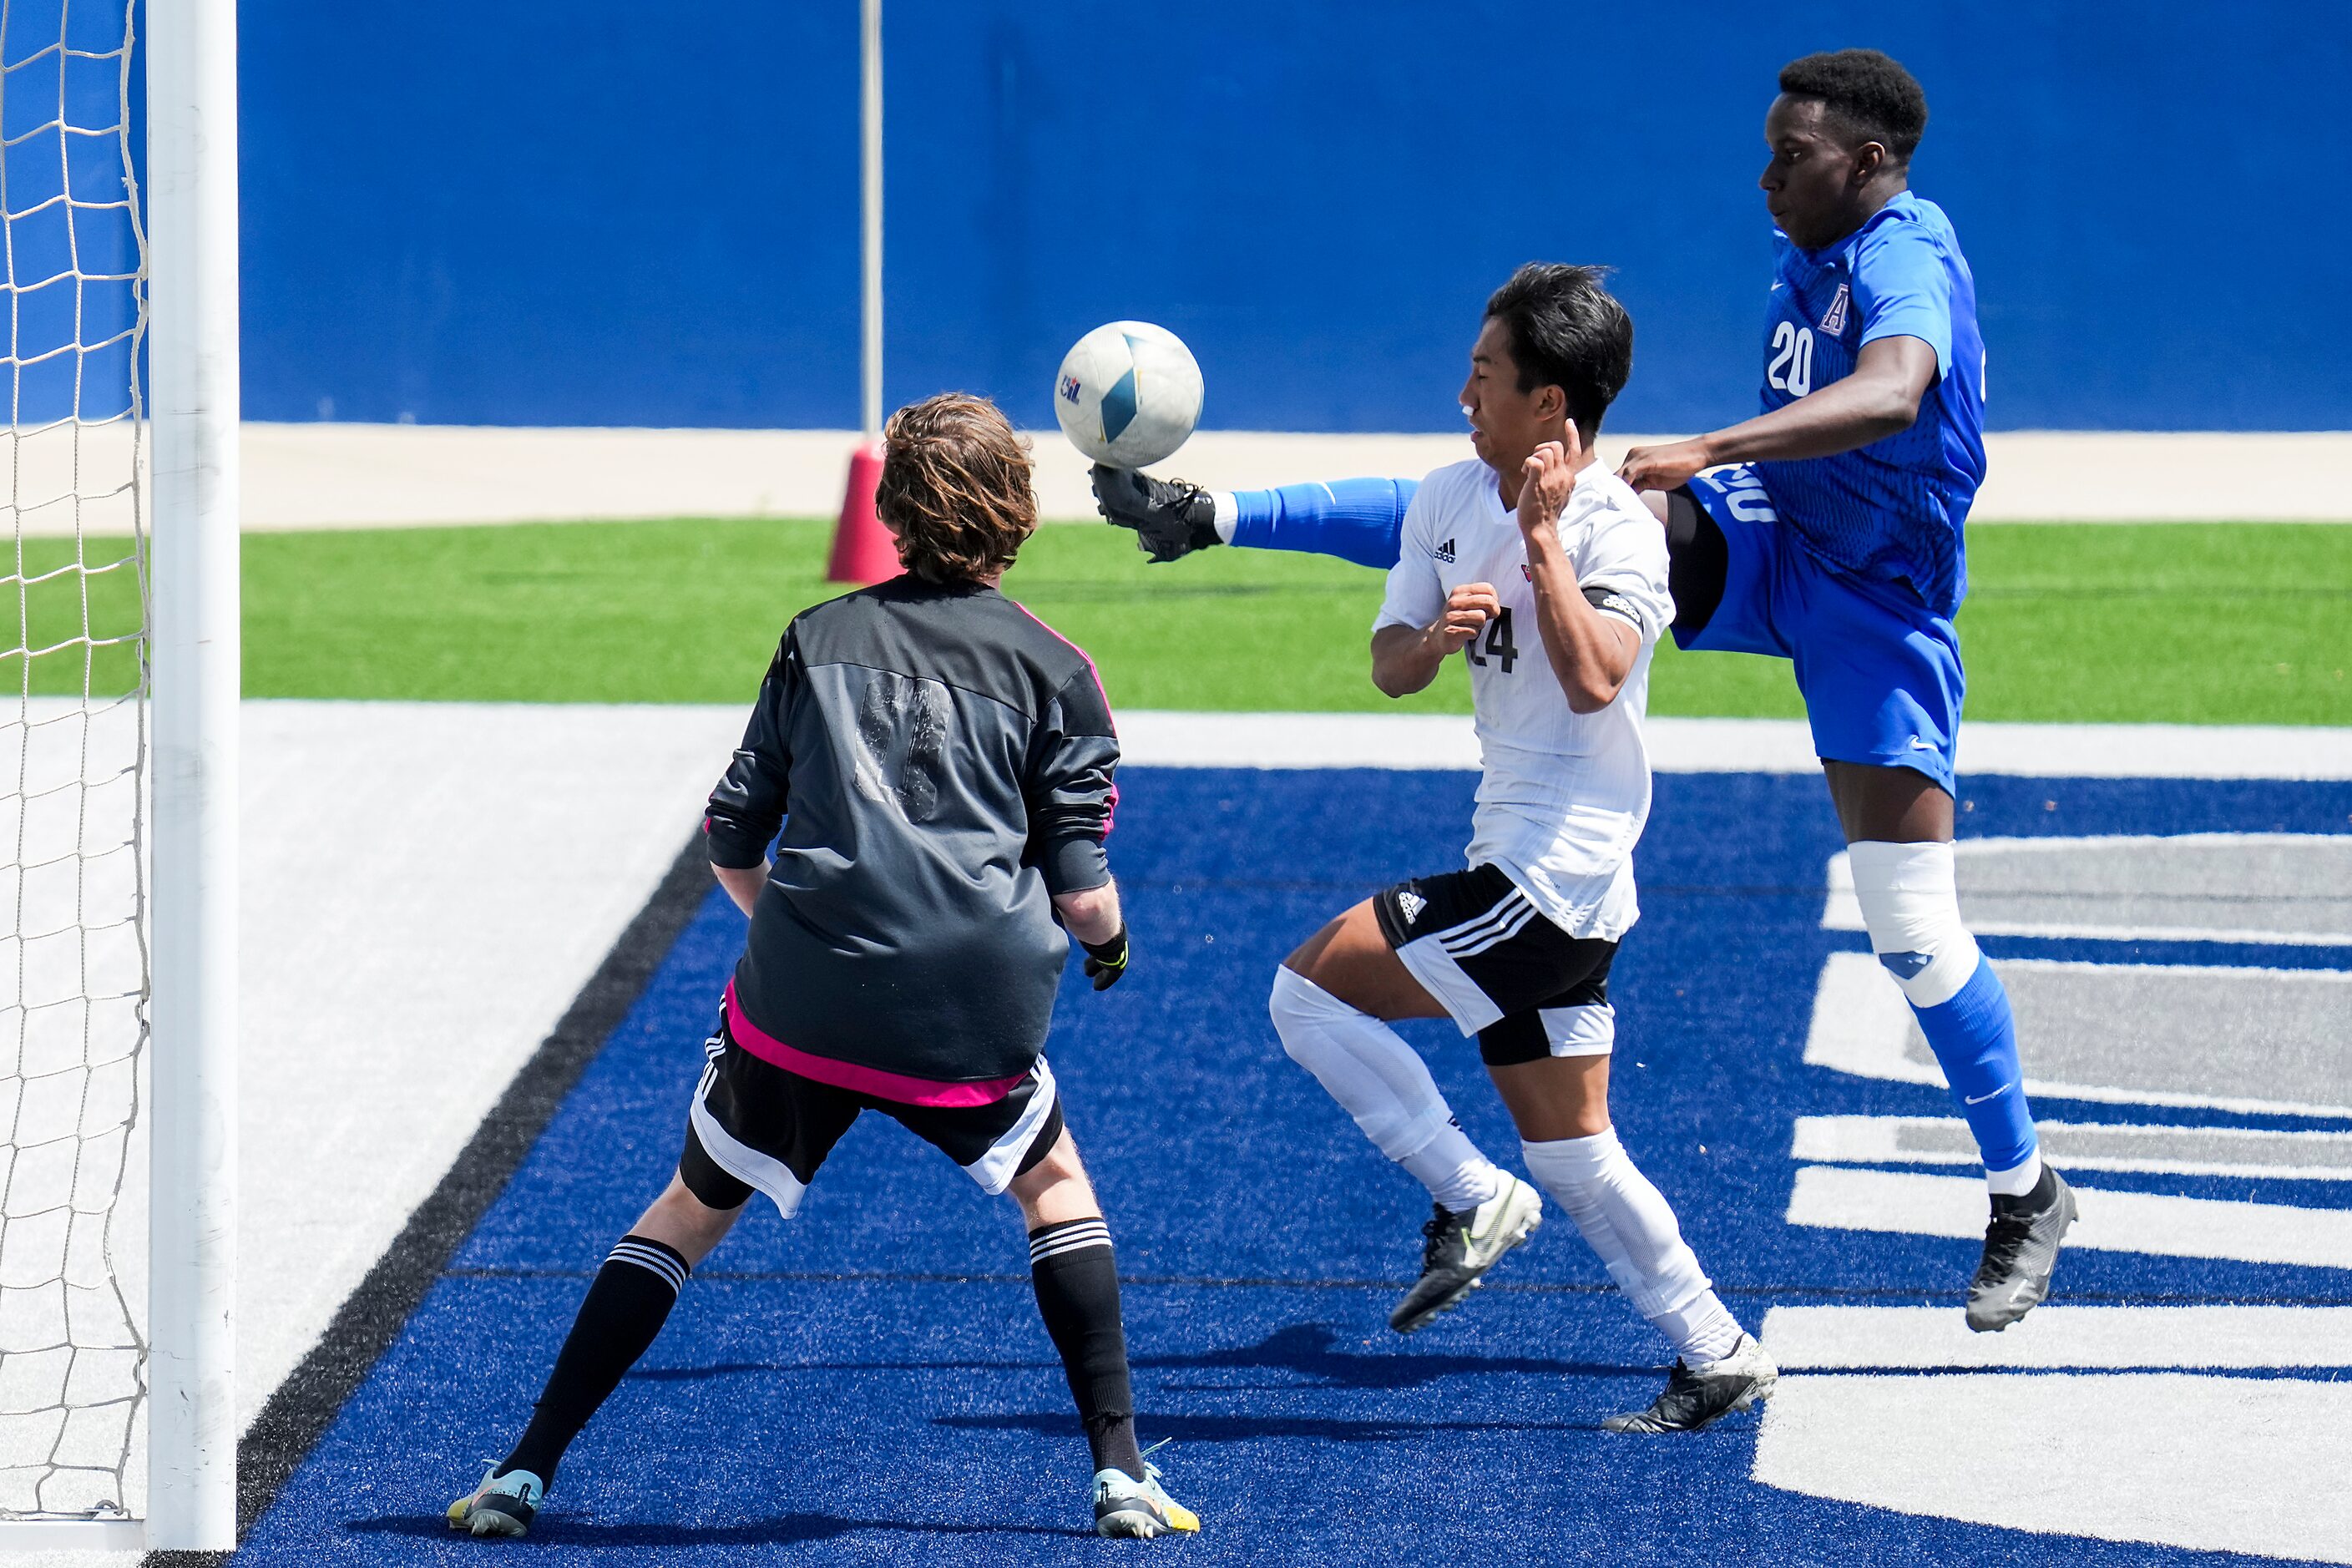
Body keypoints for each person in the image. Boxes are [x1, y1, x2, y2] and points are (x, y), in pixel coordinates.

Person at [1100, 50, 2074, 1333]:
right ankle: (1224, 512)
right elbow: (1463, 510)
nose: (1767, 170)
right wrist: (1223, 511)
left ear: (1873, 163)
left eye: (1795, 152)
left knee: (1910, 930)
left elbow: (1894, 388)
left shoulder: (1902, 250)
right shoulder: (1814, 249)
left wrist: (1712, 446)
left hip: (1874, 606)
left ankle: (2022, 1187)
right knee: (1524, 500)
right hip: (1777, 537)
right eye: (1770, 144)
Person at [448, 393, 1199, 1541]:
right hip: (969, 1011)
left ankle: (523, 1469)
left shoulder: (815, 636)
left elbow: (732, 836)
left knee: (691, 1208)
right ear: (1020, 514)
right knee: (1056, 1188)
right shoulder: (1058, 668)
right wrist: (1108, 950)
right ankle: (1119, 1475)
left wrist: (788, 932)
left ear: (893, 512)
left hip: (798, 1002)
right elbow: (1084, 895)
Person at [1269, 262, 1776, 1433]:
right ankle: (1717, 1349)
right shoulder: (1447, 496)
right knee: (1579, 1157)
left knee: (1303, 993)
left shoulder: (1614, 529)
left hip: (1551, 879)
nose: (1463, 394)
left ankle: (1467, 1192)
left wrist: (1541, 540)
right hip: (1528, 864)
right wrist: (1432, 641)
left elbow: (1597, 677)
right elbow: (1388, 663)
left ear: (1552, 404)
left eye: (1486, 376)